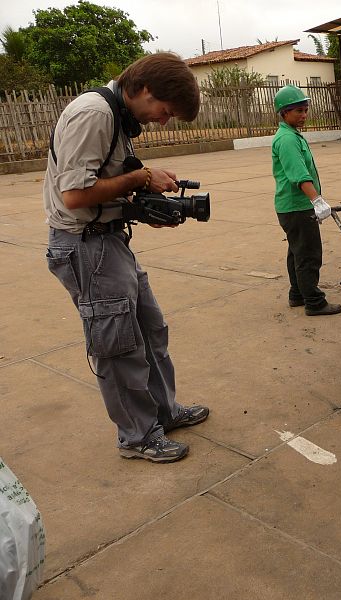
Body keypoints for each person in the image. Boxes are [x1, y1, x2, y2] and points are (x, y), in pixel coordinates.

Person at [44, 53, 210, 463]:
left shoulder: (118, 116)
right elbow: (75, 195)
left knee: (151, 330)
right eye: (165, 111)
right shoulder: (94, 113)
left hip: (109, 240)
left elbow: (102, 185)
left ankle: (162, 413)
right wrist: (140, 176)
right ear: (144, 90)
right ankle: (137, 436)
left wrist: (143, 205)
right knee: (118, 347)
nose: (164, 121)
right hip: (85, 246)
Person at [271, 84, 341, 316]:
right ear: (284, 113)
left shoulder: (290, 135)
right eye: (298, 111)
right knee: (309, 254)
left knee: (297, 251)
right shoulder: (288, 140)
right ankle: (314, 302)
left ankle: (297, 294)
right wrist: (318, 201)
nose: (303, 115)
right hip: (297, 207)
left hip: (291, 207)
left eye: (305, 110)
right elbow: (299, 175)